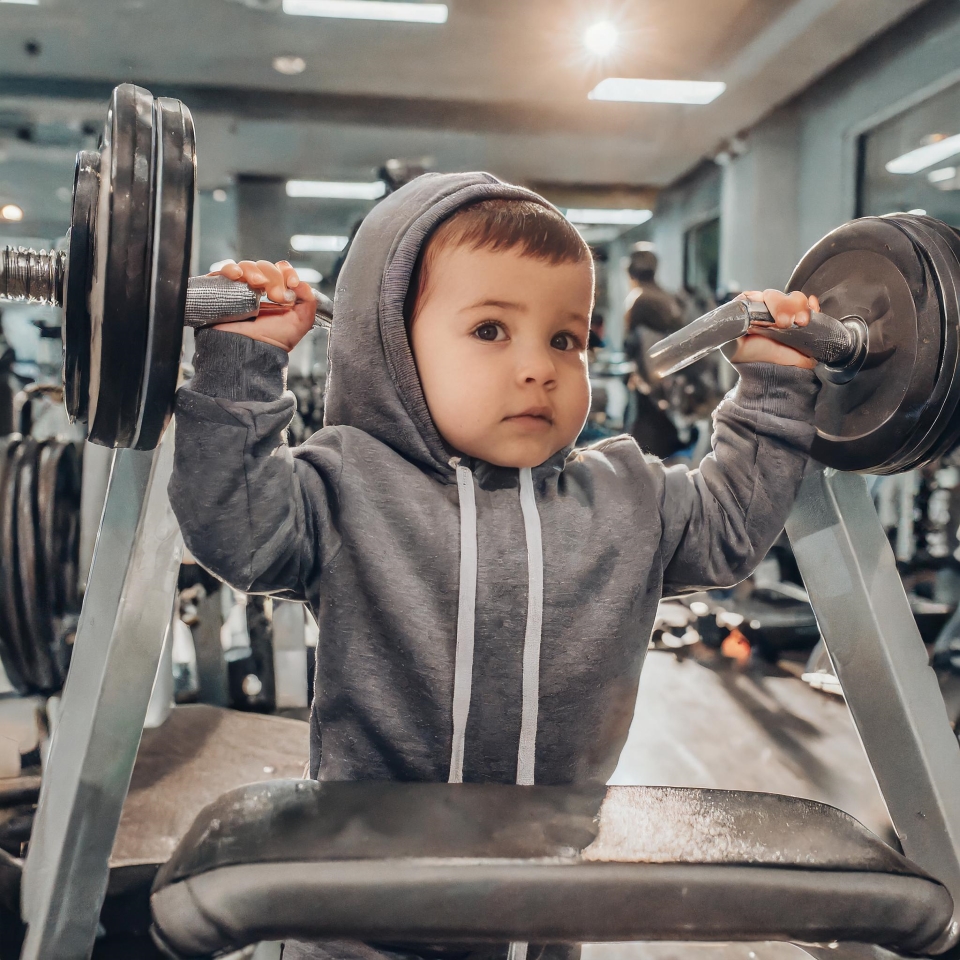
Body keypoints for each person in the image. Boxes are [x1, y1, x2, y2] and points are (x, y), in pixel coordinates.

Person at [168, 172, 820, 960]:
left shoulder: (624, 498)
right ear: (391, 347)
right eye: (489, 331)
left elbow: (729, 527)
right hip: (357, 913)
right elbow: (230, 524)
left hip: (543, 908)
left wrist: (776, 385)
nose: (539, 367)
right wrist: (240, 368)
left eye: (564, 339)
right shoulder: (348, 487)